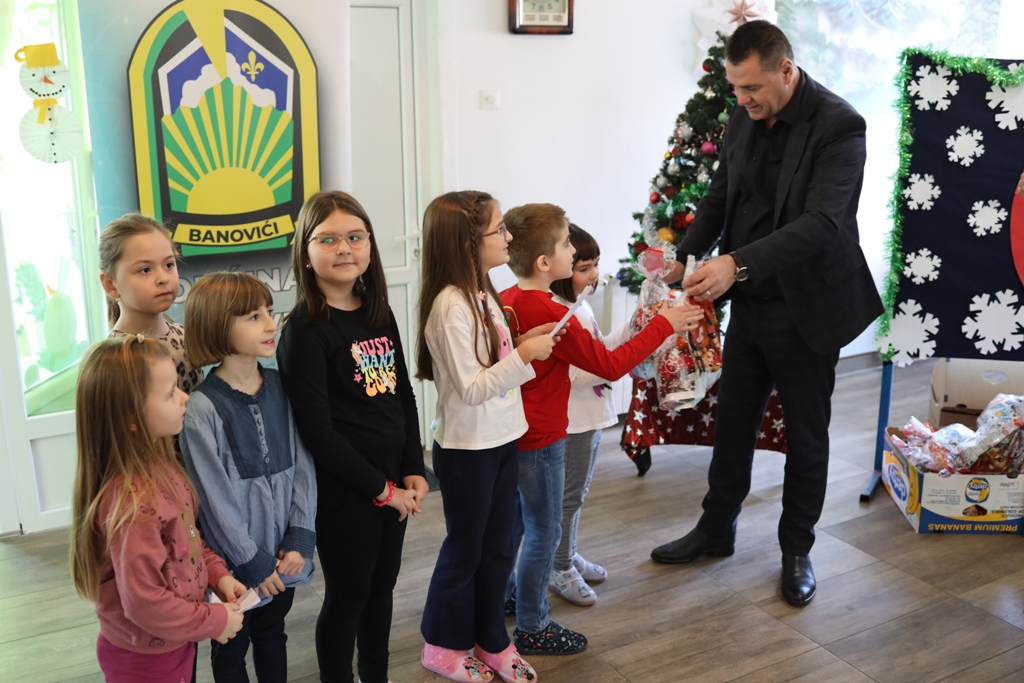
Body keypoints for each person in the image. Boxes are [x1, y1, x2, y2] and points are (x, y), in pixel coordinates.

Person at [649, 20, 884, 608]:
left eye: (752, 87)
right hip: (751, 301)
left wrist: (736, 263)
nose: (742, 99)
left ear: (786, 69)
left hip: (808, 306)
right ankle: (716, 528)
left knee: (805, 434)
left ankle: (797, 548)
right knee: (733, 421)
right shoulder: (742, 117)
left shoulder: (840, 125)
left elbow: (822, 223)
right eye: (735, 87)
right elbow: (719, 198)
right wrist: (683, 260)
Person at [500, 203, 704, 655]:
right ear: (545, 262)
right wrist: (664, 326)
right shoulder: (552, 311)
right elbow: (608, 365)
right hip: (543, 437)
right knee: (545, 532)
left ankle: (507, 597)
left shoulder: (507, 299)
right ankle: (533, 625)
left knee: (517, 526)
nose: (573, 254)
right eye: (566, 246)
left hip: (515, 434)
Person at [276, 191, 428, 683]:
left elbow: (402, 395)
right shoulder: (304, 330)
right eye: (328, 239)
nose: (344, 248)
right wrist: (381, 490)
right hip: (347, 491)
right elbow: (318, 432)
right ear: (306, 252)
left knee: (382, 588)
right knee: (349, 596)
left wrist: (413, 467)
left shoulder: (377, 311)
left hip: (393, 481)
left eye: (355, 237)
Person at [416, 191, 554, 683]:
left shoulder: (481, 292)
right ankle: (442, 644)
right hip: (468, 449)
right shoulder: (450, 306)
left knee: (498, 547)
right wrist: (526, 355)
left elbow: (489, 363)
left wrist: (520, 345)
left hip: (502, 437)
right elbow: (473, 388)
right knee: (466, 550)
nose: (508, 236)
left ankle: (490, 637)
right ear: (468, 242)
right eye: (499, 229)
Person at [70, 336, 246, 683]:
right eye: (169, 394)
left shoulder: (164, 469)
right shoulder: (132, 507)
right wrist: (214, 620)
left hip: (174, 640)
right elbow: (145, 602)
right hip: (145, 661)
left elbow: (186, 543)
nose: (184, 397)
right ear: (132, 418)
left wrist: (218, 575)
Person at [179, 272, 318, 683]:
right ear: (217, 325)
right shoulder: (200, 408)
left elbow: (303, 464)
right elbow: (213, 499)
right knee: (230, 649)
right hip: (233, 567)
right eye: (254, 316)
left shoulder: (282, 386)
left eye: (269, 312)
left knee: (273, 634)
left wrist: (300, 536)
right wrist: (251, 561)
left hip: (284, 556)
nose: (271, 324)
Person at [547, 224, 628, 606]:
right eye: (584, 268)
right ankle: (560, 567)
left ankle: (567, 554)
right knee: (568, 497)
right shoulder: (562, 314)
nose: (594, 275)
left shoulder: (581, 306)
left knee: (576, 494)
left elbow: (600, 352)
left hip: (587, 418)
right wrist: (618, 361)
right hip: (572, 422)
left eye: (596, 265)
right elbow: (577, 374)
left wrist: (633, 327)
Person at [99, 214, 203, 393]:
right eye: (145, 270)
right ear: (111, 285)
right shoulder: (116, 361)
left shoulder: (185, 336)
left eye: (169, 265)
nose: (163, 278)